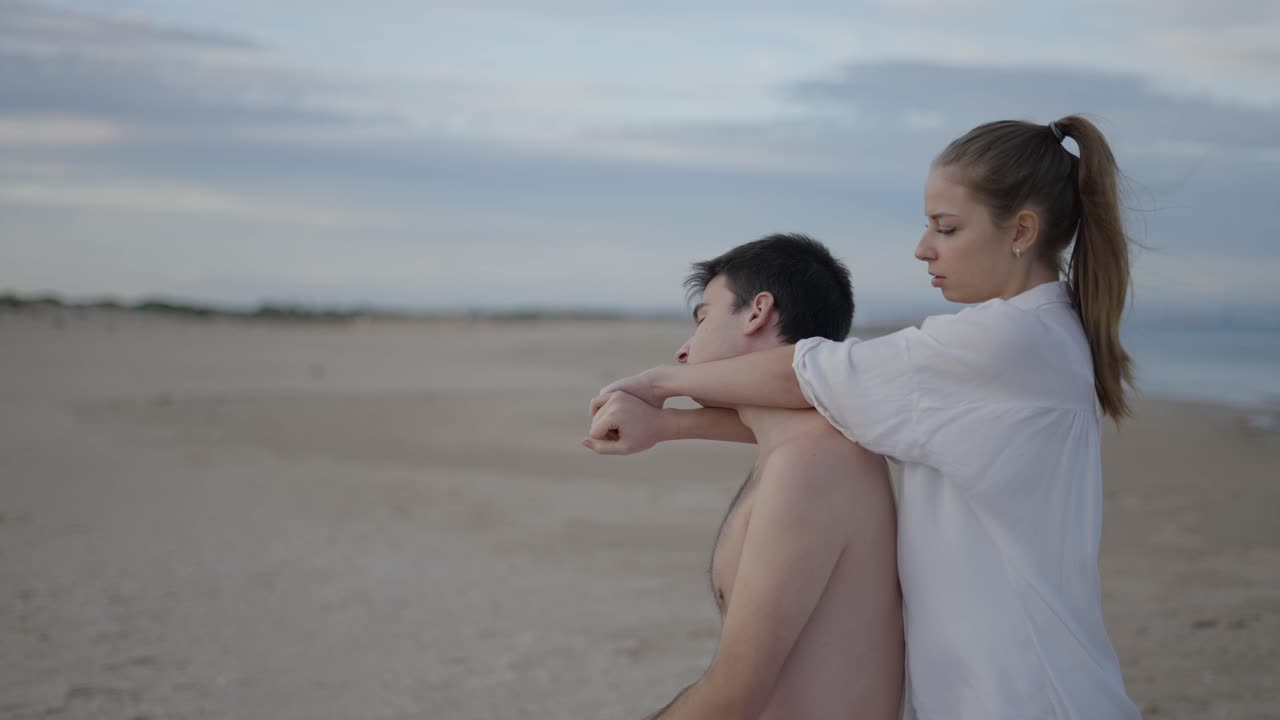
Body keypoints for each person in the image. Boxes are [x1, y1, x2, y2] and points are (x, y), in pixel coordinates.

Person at [588, 117, 1141, 719]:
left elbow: (809, 375)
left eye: (946, 228)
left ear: (1022, 230)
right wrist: (671, 424)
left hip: (1027, 696)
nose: (922, 247)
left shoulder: (1007, 341)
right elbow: (829, 408)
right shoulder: (1032, 340)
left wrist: (656, 383)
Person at [587, 234, 903, 719]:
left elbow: (734, 696)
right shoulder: (804, 447)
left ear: (758, 312)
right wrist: (669, 424)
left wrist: (663, 400)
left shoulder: (813, 462)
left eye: (703, 318)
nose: (684, 351)